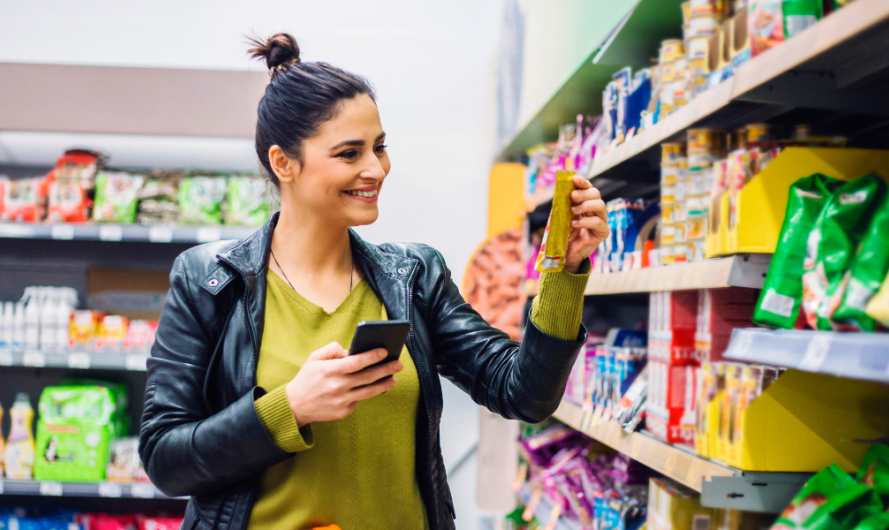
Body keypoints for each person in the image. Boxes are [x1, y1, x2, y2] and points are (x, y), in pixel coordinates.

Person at [139, 33, 609, 530]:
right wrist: (291, 407)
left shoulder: (413, 277)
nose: (375, 169)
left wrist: (564, 270)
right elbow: (166, 459)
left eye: (379, 148)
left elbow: (524, 394)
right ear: (284, 163)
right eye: (349, 153)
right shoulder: (210, 281)